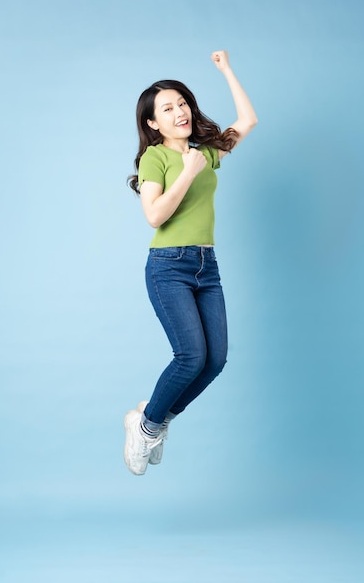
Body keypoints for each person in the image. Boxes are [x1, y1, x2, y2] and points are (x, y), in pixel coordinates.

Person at [124, 50, 258, 475]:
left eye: (182, 102)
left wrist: (226, 70)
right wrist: (187, 170)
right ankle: (146, 427)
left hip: (207, 266)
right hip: (169, 267)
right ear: (152, 122)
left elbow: (247, 121)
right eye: (167, 108)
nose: (179, 111)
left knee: (215, 361)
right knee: (190, 356)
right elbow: (154, 215)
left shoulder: (206, 151)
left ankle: (154, 418)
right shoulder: (155, 158)